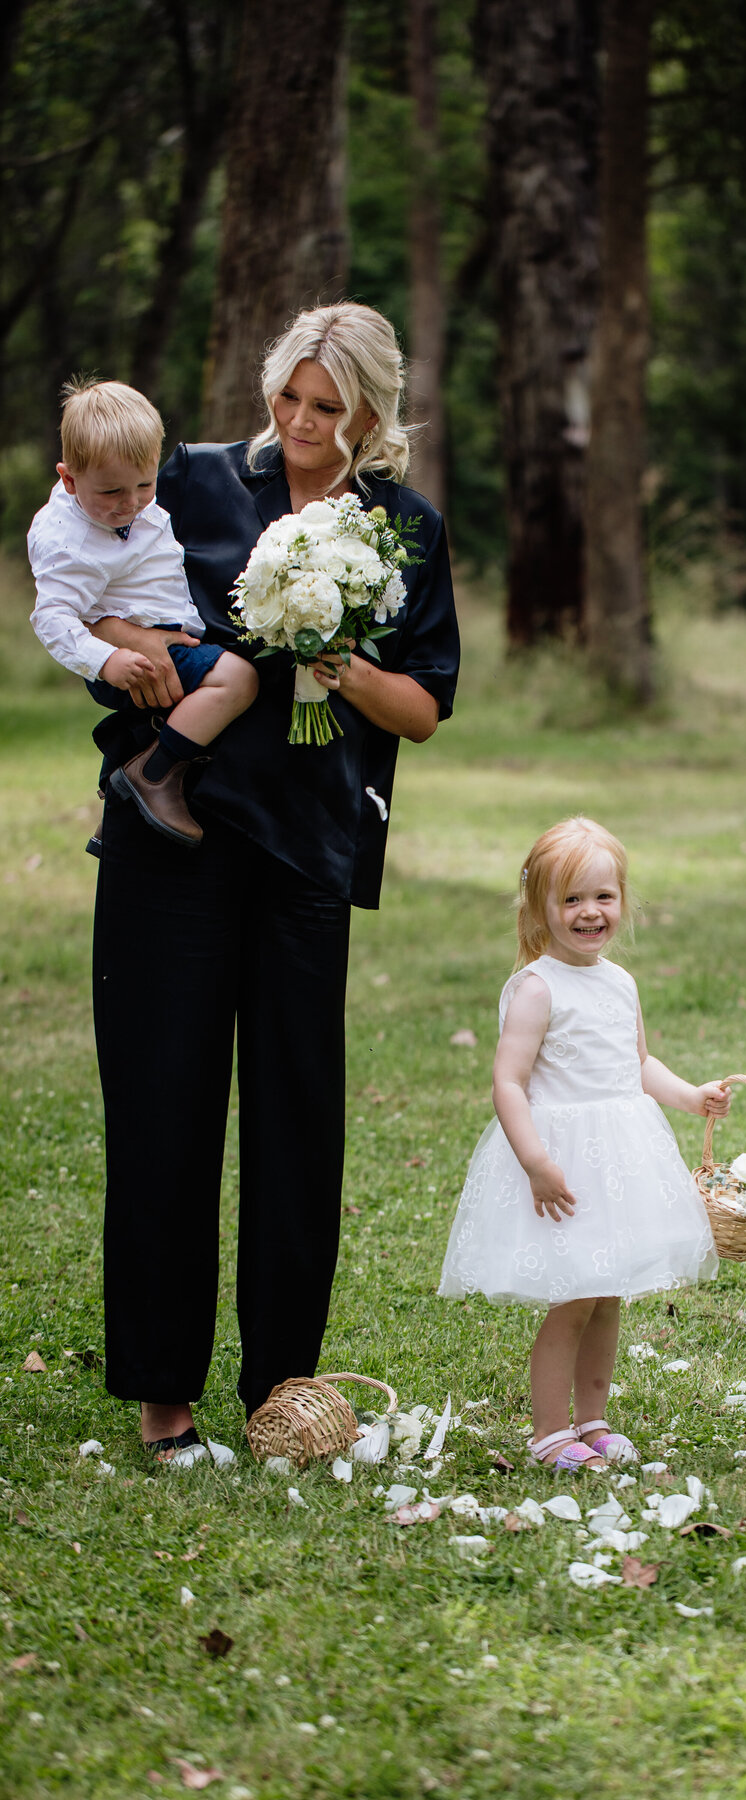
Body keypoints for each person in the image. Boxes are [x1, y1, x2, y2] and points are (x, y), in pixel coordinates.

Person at [87, 303, 459, 1458]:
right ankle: (164, 1403)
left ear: (372, 412)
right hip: (174, 840)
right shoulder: (189, 482)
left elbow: (427, 708)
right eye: (288, 398)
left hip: (308, 853)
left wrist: (333, 658)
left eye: (327, 407)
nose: (299, 423)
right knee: (165, 1109)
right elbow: (93, 596)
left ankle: (282, 1394)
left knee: (299, 1123)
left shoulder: (403, 526)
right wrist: (143, 665)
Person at [439, 817, 730, 1473]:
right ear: (541, 908)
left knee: (607, 1294)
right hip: (566, 1161)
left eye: (602, 896)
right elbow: (509, 1082)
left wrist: (690, 1094)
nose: (589, 912)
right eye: (571, 899)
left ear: (622, 900)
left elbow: (638, 1065)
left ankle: (593, 1419)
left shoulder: (619, 982)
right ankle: (548, 1432)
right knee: (573, 1297)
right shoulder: (537, 989)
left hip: (620, 1158)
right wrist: (536, 1160)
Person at [28, 378, 259, 849]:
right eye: (112, 491)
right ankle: (154, 775)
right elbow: (52, 616)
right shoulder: (70, 544)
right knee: (238, 681)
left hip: (155, 634)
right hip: (129, 652)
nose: (131, 502)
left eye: (145, 484)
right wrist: (106, 660)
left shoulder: (115, 506)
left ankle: (118, 806)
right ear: (68, 479)